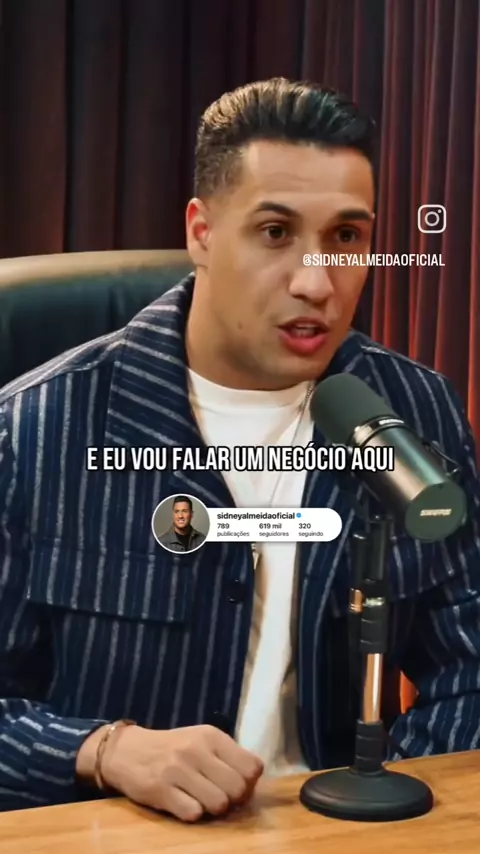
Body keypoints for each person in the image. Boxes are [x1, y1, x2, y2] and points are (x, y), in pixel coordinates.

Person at [0, 77, 479, 821]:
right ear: (201, 231)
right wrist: (101, 750)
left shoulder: (415, 415)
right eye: (276, 232)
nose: (316, 283)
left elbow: (470, 668)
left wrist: (390, 813)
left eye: (346, 238)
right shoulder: (37, 428)